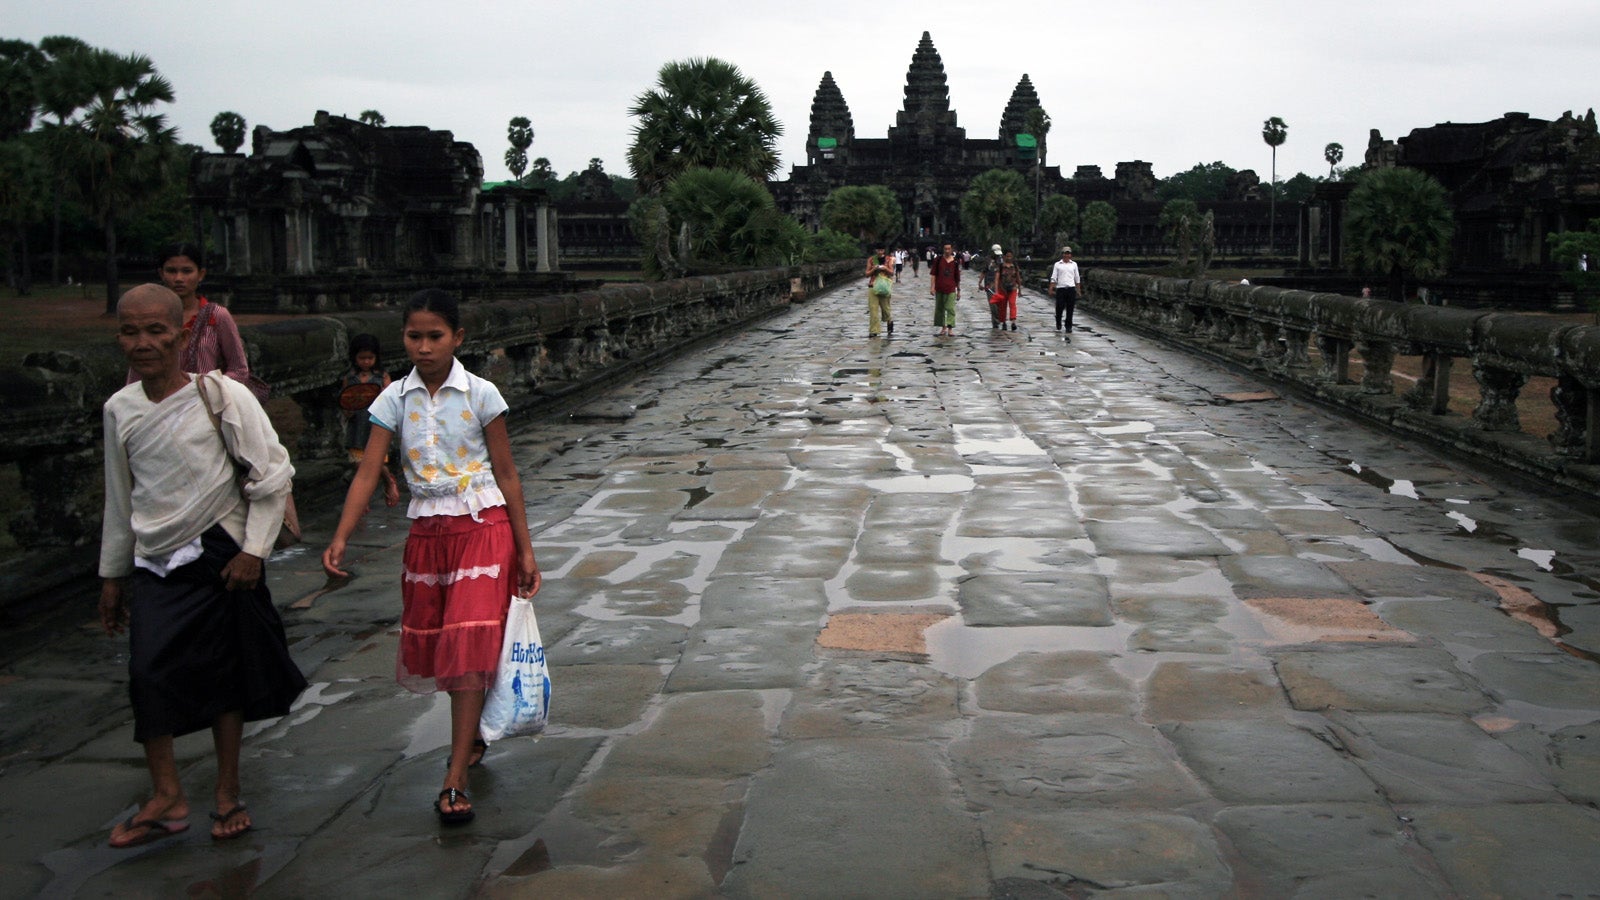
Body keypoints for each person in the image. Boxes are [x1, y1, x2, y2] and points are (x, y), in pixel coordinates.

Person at [322, 289, 540, 826]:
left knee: (466, 644)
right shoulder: (392, 399)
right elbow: (369, 470)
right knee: (447, 645)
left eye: (434, 336)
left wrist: (526, 548)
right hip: (428, 533)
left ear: (458, 338)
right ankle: (472, 739)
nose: (423, 347)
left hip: (482, 528)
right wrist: (342, 535)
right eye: (413, 336)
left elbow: (507, 472)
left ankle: (454, 776)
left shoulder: (481, 394)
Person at [99, 284, 305, 847]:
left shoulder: (221, 396)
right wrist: (112, 576)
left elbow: (273, 474)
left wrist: (253, 552)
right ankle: (166, 794)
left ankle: (227, 791)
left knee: (225, 677)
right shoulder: (120, 408)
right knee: (147, 672)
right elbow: (120, 500)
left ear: (182, 334)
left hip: (221, 554)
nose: (143, 343)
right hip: (155, 559)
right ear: (119, 337)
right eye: (131, 332)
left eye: (156, 331)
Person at [126, 244, 253, 392]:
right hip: (160, 405)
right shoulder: (149, 318)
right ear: (161, 274)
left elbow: (239, 370)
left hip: (208, 404)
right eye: (171, 271)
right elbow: (137, 371)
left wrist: (206, 390)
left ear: (201, 274)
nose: (179, 278)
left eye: (187, 271)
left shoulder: (216, 315)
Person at [340, 334, 402, 506]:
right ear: (355, 358)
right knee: (358, 464)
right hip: (357, 424)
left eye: (370, 358)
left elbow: (390, 400)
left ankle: (388, 480)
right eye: (362, 358)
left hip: (376, 424)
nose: (366, 362)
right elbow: (346, 400)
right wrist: (348, 412)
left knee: (377, 462)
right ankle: (362, 498)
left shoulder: (381, 377)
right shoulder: (350, 378)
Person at [929, 243, 962, 337]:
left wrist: (959, 290)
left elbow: (957, 277)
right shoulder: (938, 260)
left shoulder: (955, 262)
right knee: (940, 308)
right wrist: (932, 287)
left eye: (949, 249)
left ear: (952, 250)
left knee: (950, 308)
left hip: (951, 288)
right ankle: (943, 327)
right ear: (943, 249)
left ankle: (950, 328)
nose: (947, 251)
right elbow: (933, 274)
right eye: (945, 249)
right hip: (939, 287)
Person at [1048, 246, 1084, 333]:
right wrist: (1051, 287)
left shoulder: (1074, 264)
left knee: (1070, 308)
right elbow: (1054, 277)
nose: (1066, 255)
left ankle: (1068, 326)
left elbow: (1077, 278)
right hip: (1061, 288)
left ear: (1070, 255)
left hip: (1071, 288)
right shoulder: (1057, 264)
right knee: (1059, 307)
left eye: (1068, 253)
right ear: (1062, 254)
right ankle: (1058, 322)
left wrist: (1078, 290)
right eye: (1065, 253)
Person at [864, 246, 895, 337]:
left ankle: (889, 320)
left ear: (884, 250)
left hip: (884, 286)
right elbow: (867, 274)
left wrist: (885, 269)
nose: (880, 252)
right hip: (873, 285)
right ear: (876, 250)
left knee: (886, 308)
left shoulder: (888, 259)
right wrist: (874, 269)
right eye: (878, 250)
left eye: (881, 250)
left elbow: (892, 272)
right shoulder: (871, 260)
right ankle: (874, 330)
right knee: (873, 309)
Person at [992, 250, 1023, 331]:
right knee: (1002, 306)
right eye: (1007, 256)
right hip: (1002, 288)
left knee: (1012, 304)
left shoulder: (1015, 266)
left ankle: (1013, 321)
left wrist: (1020, 289)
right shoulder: (1001, 266)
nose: (1009, 258)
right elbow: (997, 278)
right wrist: (996, 291)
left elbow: (1018, 277)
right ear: (1004, 257)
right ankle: (1003, 322)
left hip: (1013, 288)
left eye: (1010, 256)